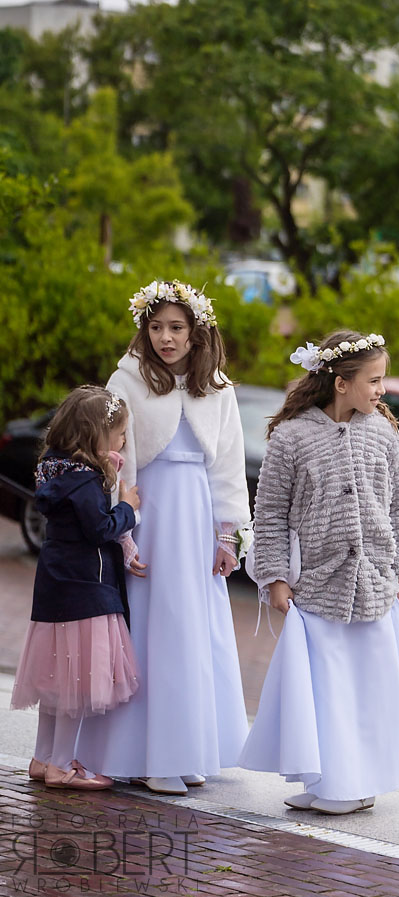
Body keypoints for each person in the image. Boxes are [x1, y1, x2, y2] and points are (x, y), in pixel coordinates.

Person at [239, 330, 399, 814]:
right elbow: (269, 514)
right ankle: (329, 778)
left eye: (382, 380)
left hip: (373, 586)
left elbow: (397, 508)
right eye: (374, 380)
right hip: (318, 586)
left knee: (365, 690)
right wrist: (275, 576)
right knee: (324, 692)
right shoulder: (291, 438)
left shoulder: (384, 434)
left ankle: (354, 784)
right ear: (340, 382)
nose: (381, 390)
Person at [76, 280, 251, 796]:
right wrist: (124, 533)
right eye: (156, 327)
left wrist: (228, 536)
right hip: (149, 509)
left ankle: (189, 748)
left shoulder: (216, 385)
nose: (166, 338)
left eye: (176, 328)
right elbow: (114, 457)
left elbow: (228, 463)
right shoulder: (126, 378)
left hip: (195, 512)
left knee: (195, 627)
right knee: (155, 627)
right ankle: (151, 756)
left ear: (197, 332)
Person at [11, 385, 141, 790]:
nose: (123, 440)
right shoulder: (84, 483)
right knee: (74, 684)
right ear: (95, 435)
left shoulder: (56, 470)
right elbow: (98, 529)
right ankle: (61, 766)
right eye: (119, 433)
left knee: (55, 685)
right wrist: (128, 509)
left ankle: (42, 758)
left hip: (54, 587)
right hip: (85, 589)